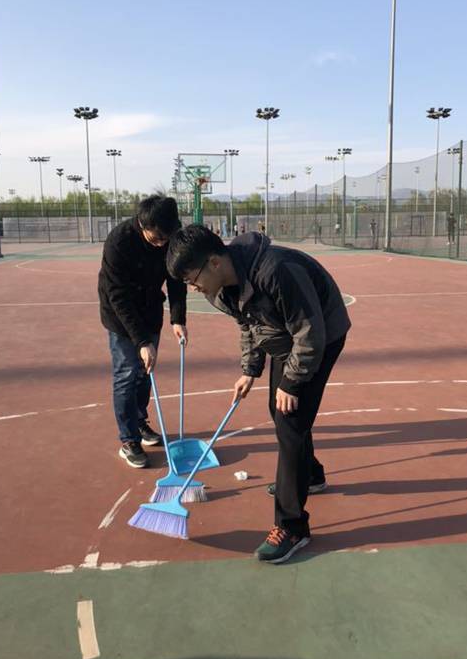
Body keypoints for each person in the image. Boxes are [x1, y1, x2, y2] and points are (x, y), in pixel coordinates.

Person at [167, 226, 351, 564]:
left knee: (290, 419)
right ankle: (309, 475)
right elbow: (248, 324)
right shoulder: (219, 288)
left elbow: (310, 333)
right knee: (278, 411)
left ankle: (292, 526)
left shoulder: (277, 271)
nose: (193, 288)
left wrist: (291, 383)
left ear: (214, 263)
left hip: (322, 334)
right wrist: (250, 369)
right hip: (284, 335)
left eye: (192, 279)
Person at [98, 195, 187, 469]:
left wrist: (178, 319)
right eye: (157, 238)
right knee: (127, 373)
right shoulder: (119, 242)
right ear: (142, 224)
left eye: (165, 239)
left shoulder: (170, 237)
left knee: (145, 371)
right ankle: (128, 440)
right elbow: (118, 297)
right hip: (120, 315)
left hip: (150, 309)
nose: (162, 244)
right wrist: (142, 341)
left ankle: (139, 421)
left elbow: (176, 278)